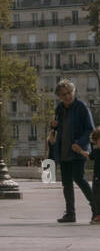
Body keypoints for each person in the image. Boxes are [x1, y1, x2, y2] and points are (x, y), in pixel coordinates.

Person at [48, 79, 97, 224]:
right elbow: (56, 130)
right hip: (63, 151)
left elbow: (90, 129)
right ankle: (70, 213)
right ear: (60, 96)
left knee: (79, 179)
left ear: (73, 91)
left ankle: (96, 209)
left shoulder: (81, 107)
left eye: (69, 93)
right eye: (63, 95)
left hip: (77, 151)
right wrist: (53, 126)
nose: (67, 96)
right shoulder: (59, 109)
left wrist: (80, 143)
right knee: (67, 183)